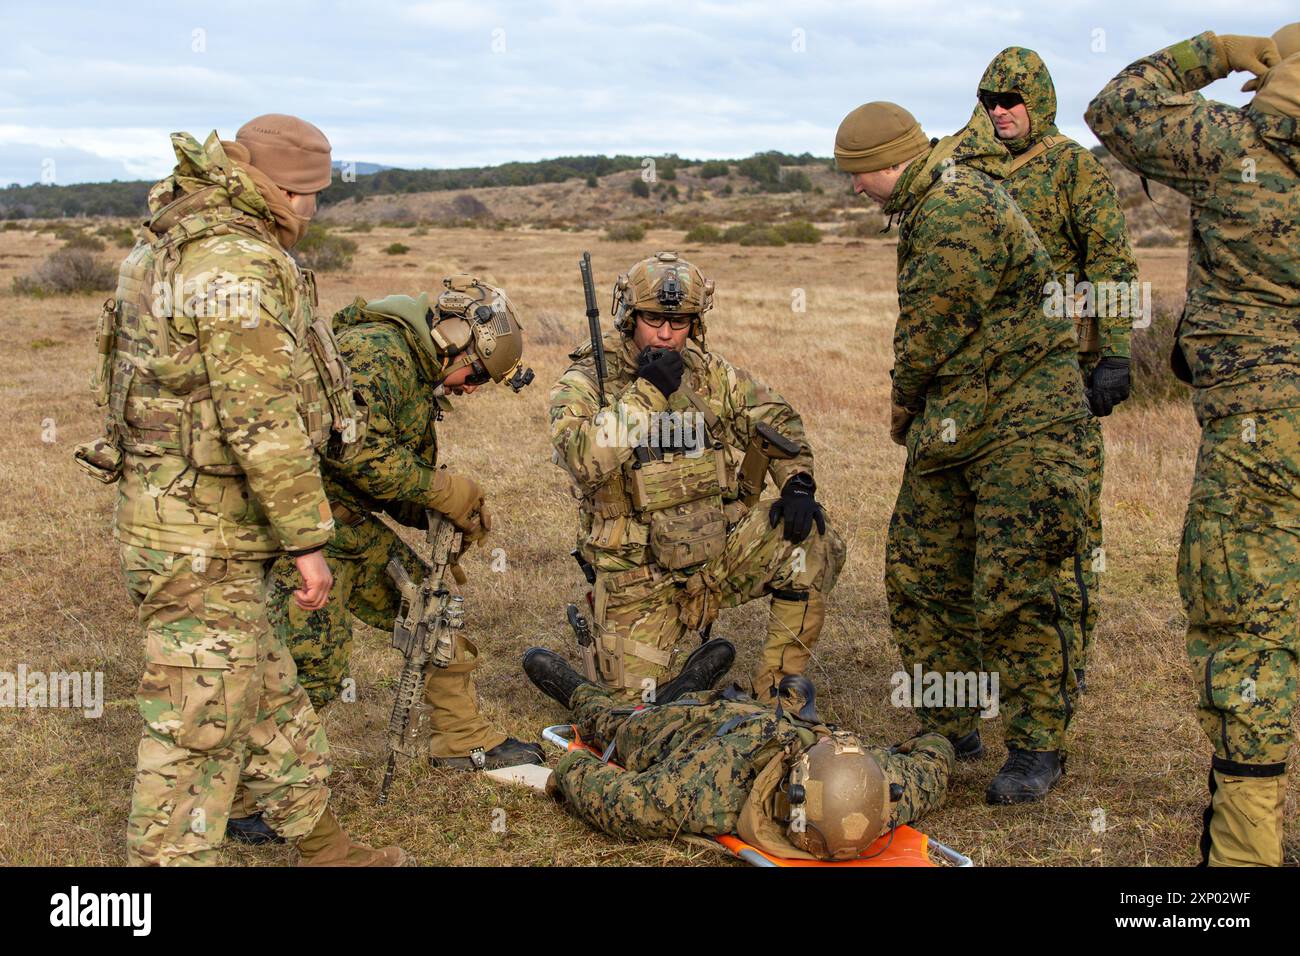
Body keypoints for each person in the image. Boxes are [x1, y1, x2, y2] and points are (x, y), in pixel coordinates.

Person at [73, 115, 404, 865]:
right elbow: (260, 417)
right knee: (198, 729)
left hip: (188, 519)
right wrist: (309, 542)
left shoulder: (172, 238)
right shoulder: (235, 266)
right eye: (310, 195)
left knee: (263, 692)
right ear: (284, 190)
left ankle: (324, 847)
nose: (313, 211)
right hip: (201, 536)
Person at [834, 101, 1090, 802]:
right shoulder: (929, 199)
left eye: (858, 174)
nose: (855, 189)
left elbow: (928, 333)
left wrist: (902, 406)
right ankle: (951, 721)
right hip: (958, 422)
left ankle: (1039, 746)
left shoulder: (950, 207)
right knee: (921, 573)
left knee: (1019, 586)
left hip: (1022, 425)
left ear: (889, 162)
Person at [1087, 24, 1299, 866]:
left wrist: (1215, 50)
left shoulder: (1229, 148)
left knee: (1248, 621)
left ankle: (1243, 860)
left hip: (1260, 433)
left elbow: (1118, 106)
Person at [548, 252, 845, 702]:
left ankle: (779, 701)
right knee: (631, 712)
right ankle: (640, 672)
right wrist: (647, 392)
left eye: (680, 321)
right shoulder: (589, 379)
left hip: (716, 554)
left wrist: (797, 482)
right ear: (629, 317)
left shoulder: (710, 375)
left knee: (813, 543)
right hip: (637, 576)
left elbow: (777, 418)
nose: (666, 334)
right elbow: (582, 457)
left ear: (696, 322)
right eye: (652, 319)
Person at [978, 46, 1141, 692]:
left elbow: (1111, 261)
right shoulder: (973, 170)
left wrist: (1118, 352)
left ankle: (1062, 667)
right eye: (991, 100)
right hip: (985, 378)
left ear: (1038, 101)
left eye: (1012, 99)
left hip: (1059, 377)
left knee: (1062, 529)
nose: (1000, 111)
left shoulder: (1074, 169)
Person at [522, 645, 952, 860]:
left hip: (699, 729)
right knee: (630, 718)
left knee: (625, 721)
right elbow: (936, 759)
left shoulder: (706, 792)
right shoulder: (886, 796)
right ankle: (641, 689)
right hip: (727, 718)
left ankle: (609, 690)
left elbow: (617, 800)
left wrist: (571, 766)